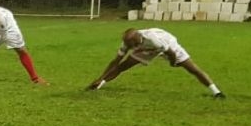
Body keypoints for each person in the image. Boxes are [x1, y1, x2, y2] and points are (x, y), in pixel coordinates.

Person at [86, 27, 226, 98]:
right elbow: (116, 61)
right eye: (129, 45)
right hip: (148, 49)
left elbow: (169, 52)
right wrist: (100, 78)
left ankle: (216, 92)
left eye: (132, 45)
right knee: (123, 66)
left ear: (138, 39)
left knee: (192, 69)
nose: (130, 47)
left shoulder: (153, 39)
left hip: (169, 46)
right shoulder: (128, 42)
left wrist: (173, 63)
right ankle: (98, 86)